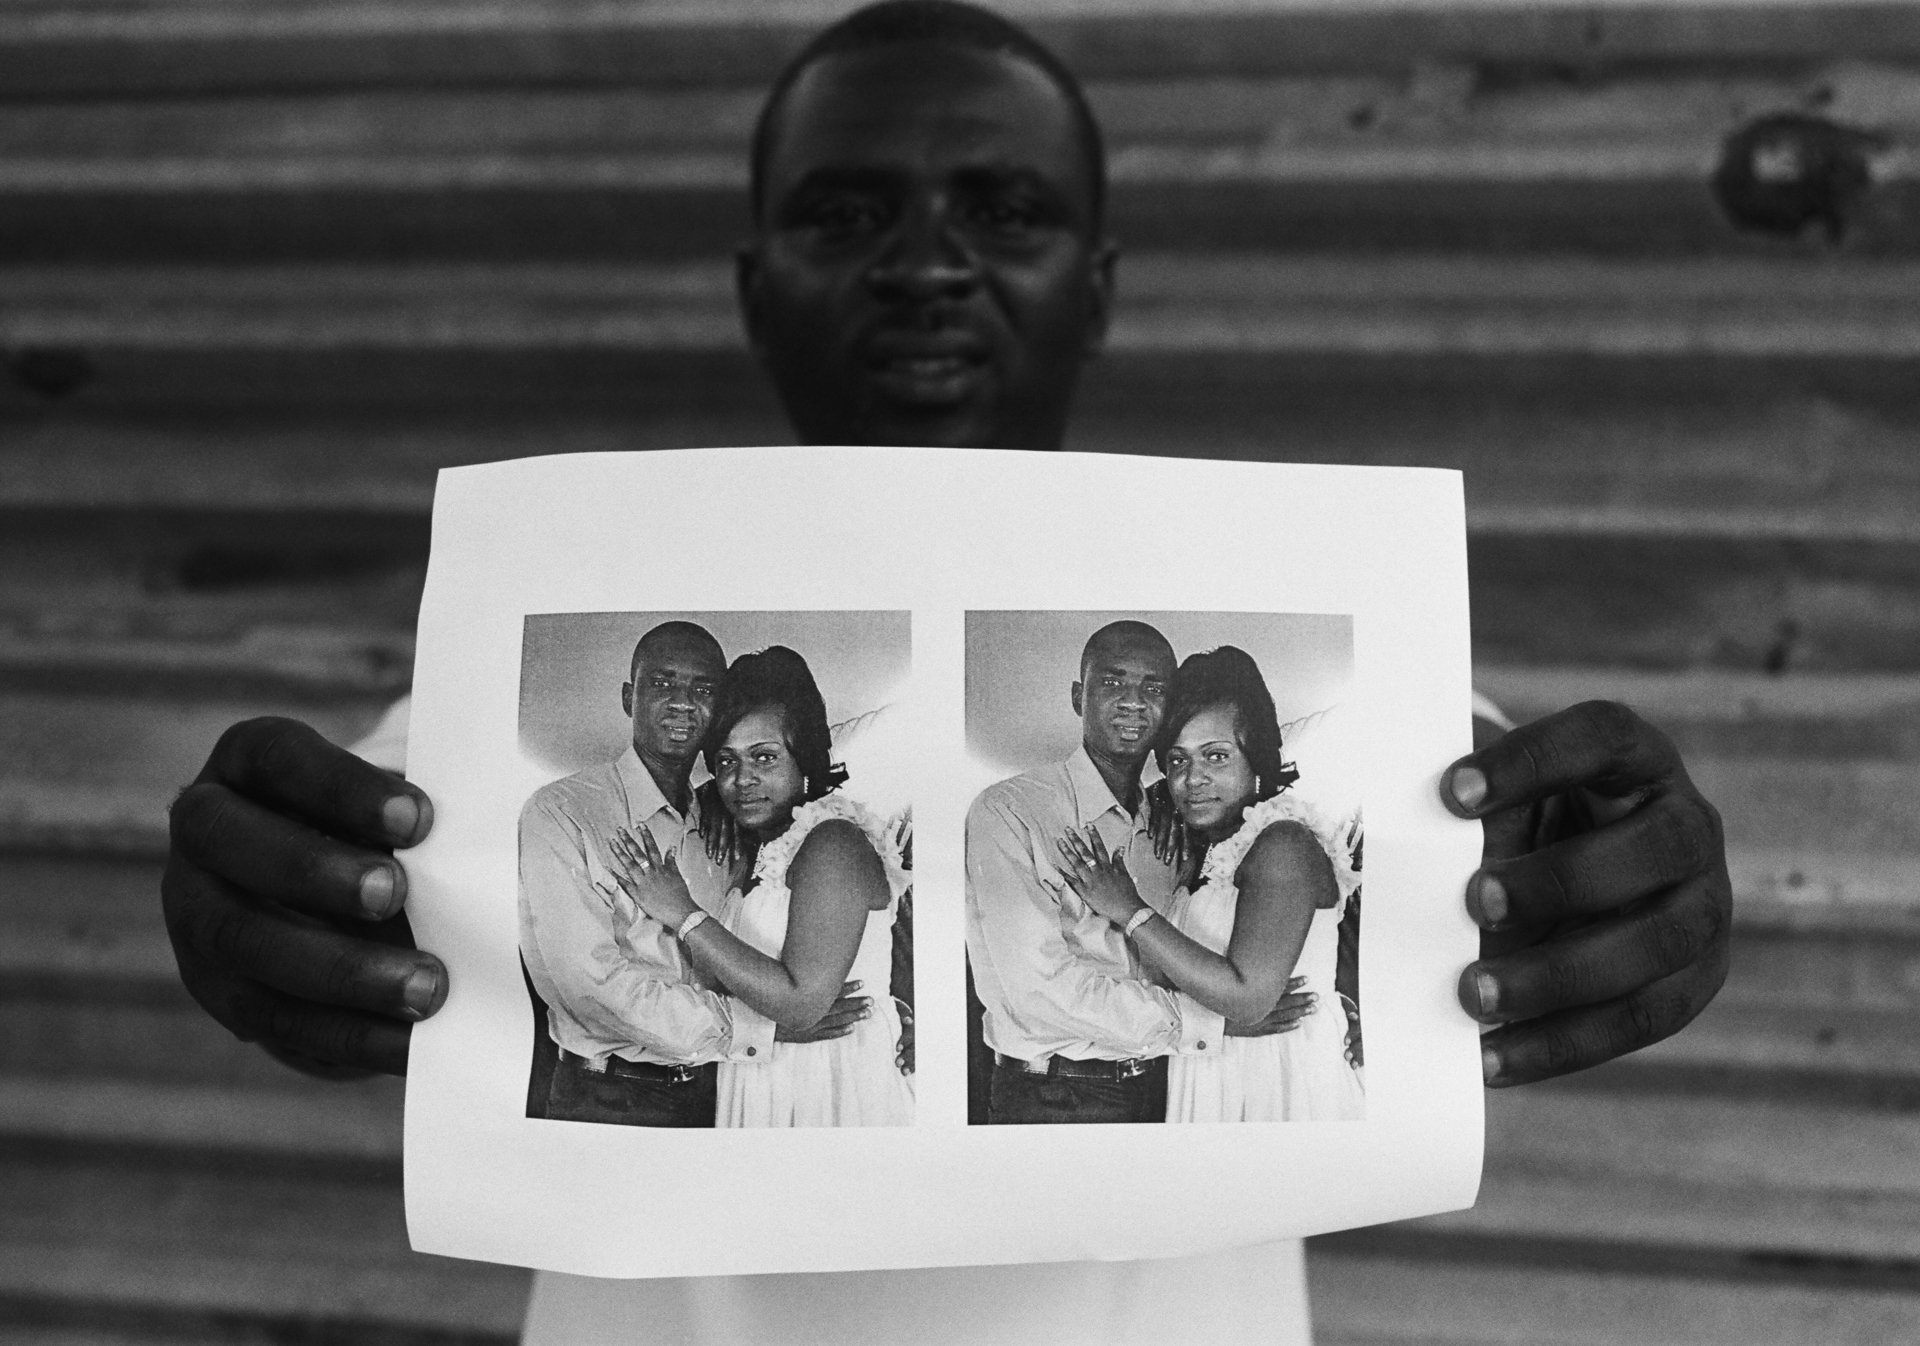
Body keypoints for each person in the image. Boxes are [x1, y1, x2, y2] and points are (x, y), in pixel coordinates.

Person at [159, 2, 1734, 1342]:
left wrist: (1613, 884)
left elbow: (1512, 849)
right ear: (755, 288)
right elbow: (355, 863)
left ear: (1097, 288)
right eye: (847, 215)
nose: (926, 266)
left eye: (1005, 211)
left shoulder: (1346, 739)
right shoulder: (503, 758)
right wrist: (275, 903)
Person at [517, 622, 871, 1127]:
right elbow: (591, 989)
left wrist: (897, 1008)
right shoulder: (564, 813)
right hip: (612, 1095)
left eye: (703, 689)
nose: (683, 702)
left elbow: (829, 919)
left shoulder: (731, 819)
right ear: (629, 697)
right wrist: (757, 1029)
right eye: (662, 683)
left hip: (722, 1090)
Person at [966, 621, 1315, 1124]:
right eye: (1112, 682)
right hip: (1060, 1096)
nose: (1133, 701)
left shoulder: (1180, 823)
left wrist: (1336, 1006)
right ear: (1078, 696)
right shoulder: (1011, 811)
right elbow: (1037, 994)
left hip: (1170, 1083)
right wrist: (1207, 1023)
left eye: (1153, 688)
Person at [605, 646, 914, 1127]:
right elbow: (725, 980)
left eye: (764, 757)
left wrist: (683, 914)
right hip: (756, 1072)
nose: (742, 779)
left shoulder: (834, 841)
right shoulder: (754, 847)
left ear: (805, 757)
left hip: (830, 1080)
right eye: (726, 761)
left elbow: (801, 1005)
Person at [1056, 645, 1365, 1122]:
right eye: (1177, 761)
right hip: (1209, 1065)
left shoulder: (1284, 842)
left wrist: (1130, 910)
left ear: (1256, 758)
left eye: (1216, 756)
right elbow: (1174, 974)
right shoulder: (1207, 848)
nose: (1193, 778)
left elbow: (1248, 999)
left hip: (1279, 1073)